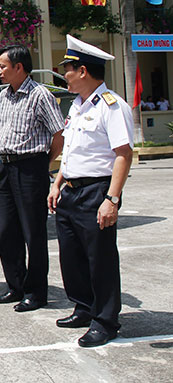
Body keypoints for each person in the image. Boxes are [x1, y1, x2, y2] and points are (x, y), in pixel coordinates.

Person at [48, 35, 133, 347]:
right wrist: (57, 183)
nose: (64, 73)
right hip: (70, 190)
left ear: (82, 71)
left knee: (100, 259)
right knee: (72, 257)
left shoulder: (111, 106)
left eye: (67, 68)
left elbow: (123, 154)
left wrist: (111, 199)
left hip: (97, 191)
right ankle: (84, 307)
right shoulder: (77, 106)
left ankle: (106, 320)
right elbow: (69, 150)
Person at [0, 45, 64, 312]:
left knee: (33, 233)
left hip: (31, 167)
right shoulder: (3, 96)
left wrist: (43, 164)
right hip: (6, 167)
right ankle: (16, 286)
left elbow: (59, 135)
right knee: (7, 231)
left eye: (2, 66)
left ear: (19, 67)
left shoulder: (40, 95)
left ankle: (36, 293)